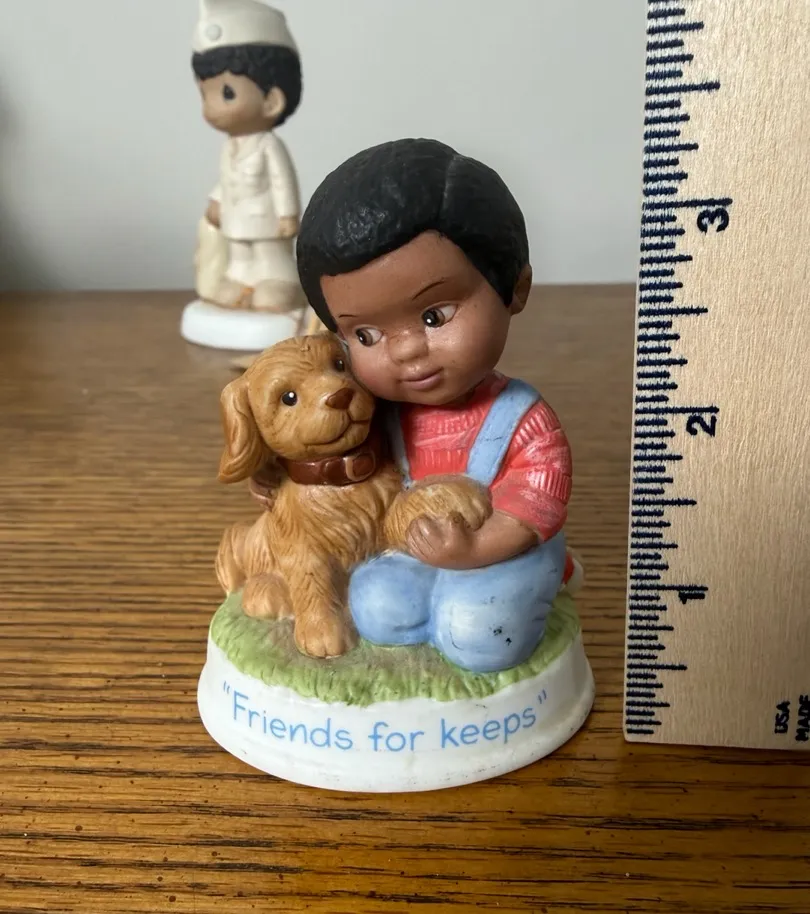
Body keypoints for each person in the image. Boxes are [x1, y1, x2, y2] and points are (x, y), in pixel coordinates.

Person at [295, 138, 581, 673]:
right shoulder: (377, 412)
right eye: (367, 335)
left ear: (515, 288)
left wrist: (473, 552)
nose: (406, 350)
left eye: (434, 316)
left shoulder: (523, 418)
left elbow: (534, 505)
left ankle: (541, 585)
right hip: (413, 547)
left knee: (476, 635)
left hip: (503, 549)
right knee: (375, 607)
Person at [192, 0, 303, 313]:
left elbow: (282, 180)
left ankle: (278, 282)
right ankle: (239, 281)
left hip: (266, 219)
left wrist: (288, 214)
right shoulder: (230, 145)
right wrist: (216, 201)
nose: (210, 108)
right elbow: (226, 178)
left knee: (269, 254)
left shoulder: (269, 145)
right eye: (204, 95)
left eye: (226, 94)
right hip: (235, 218)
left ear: (272, 101)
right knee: (239, 254)